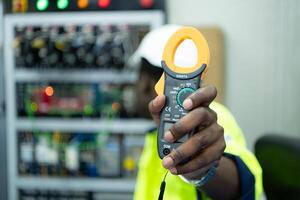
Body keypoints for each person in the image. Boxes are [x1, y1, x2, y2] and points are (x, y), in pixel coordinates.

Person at [130, 25, 263, 200]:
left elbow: (244, 183)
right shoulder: (159, 129)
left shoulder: (209, 119)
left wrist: (204, 171)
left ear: (145, 82)